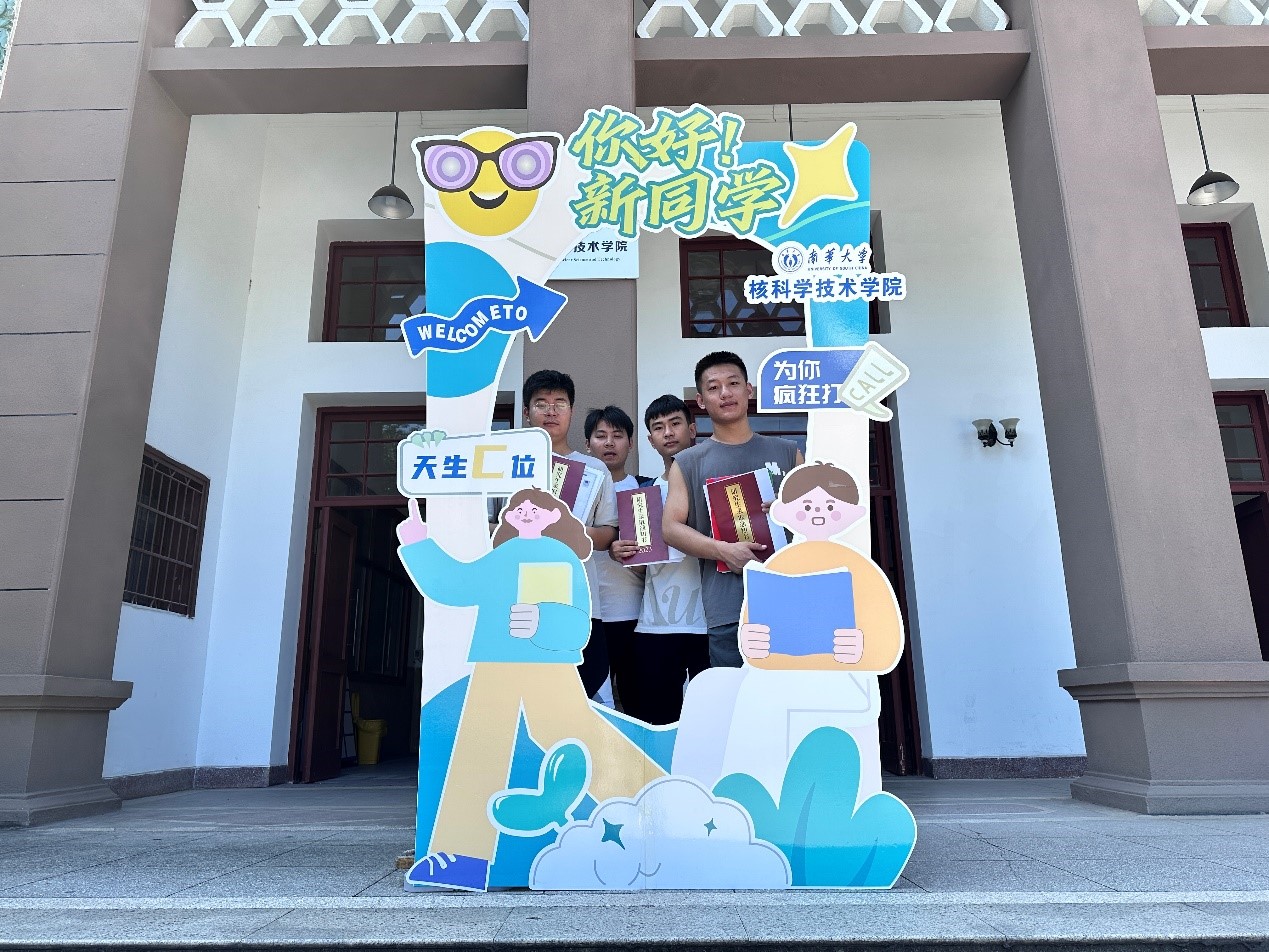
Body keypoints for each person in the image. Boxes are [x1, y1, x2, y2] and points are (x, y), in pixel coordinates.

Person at [399, 489, 662, 891]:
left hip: (548, 663)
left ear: (553, 517)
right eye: (517, 507)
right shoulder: (502, 556)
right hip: (495, 660)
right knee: (480, 747)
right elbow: (456, 586)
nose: (523, 512)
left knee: (578, 735)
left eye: (534, 507)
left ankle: (653, 817)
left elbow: (578, 623)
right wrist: (419, 542)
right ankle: (459, 857)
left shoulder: (561, 557)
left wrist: (543, 620)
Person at [663, 352, 803, 668]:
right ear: (701, 401)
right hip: (728, 611)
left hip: (791, 597)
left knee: (792, 694)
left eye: (733, 384)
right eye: (714, 388)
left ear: (749, 390)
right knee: (735, 696)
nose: (725, 393)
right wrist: (724, 551)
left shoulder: (788, 453)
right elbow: (670, 528)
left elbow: (817, 522)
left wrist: (790, 511)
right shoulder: (687, 462)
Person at [523, 369, 618, 699]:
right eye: (541, 404)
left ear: (571, 411)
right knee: (529, 694)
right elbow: (488, 526)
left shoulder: (595, 469)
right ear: (526, 412)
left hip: (579, 599)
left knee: (581, 691)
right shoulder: (510, 465)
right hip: (520, 599)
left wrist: (573, 532)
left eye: (559, 403)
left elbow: (607, 533)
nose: (551, 411)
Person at [620, 395, 710, 725]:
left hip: (710, 624)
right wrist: (622, 552)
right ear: (650, 440)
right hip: (655, 625)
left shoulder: (714, 484)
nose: (668, 433)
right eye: (658, 428)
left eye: (675, 424)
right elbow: (641, 567)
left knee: (711, 722)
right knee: (656, 722)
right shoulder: (642, 494)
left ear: (692, 429)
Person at [585, 405, 653, 718]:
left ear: (631, 443)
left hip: (633, 613)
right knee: (588, 703)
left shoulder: (646, 489)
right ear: (588, 445)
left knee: (636, 703)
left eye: (618, 435)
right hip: (586, 614)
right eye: (601, 436)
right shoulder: (576, 490)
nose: (609, 443)